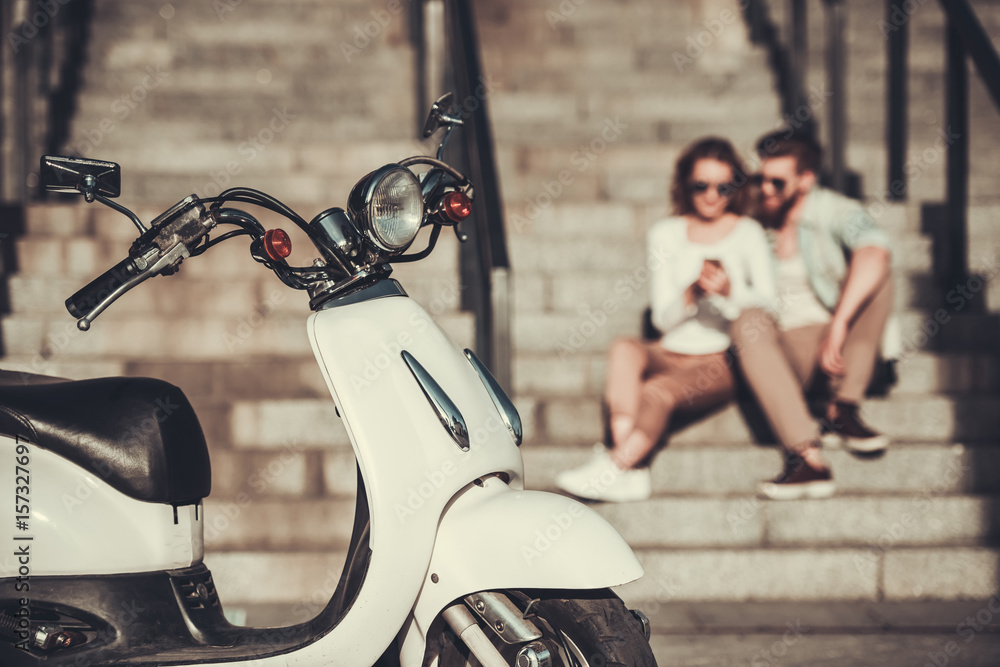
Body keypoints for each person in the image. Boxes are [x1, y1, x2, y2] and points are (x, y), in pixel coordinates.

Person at [554, 137, 776, 503]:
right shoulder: (666, 233)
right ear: (685, 186)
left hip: (722, 357)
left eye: (723, 187)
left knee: (656, 392)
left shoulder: (749, 233)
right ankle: (630, 465)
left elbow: (769, 307)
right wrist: (690, 294)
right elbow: (661, 318)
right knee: (625, 347)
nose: (711, 195)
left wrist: (729, 292)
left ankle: (618, 465)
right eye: (701, 185)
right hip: (672, 348)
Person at [731, 130, 893, 501]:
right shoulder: (754, 219)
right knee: (748, 319)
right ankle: (807, 459)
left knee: (879, 270)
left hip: (838, 350)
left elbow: (875, 252)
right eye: (759, 179)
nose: (765, 189)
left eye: (776, 181)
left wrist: (838, 326)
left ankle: (843, 407)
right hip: (783, 354)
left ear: (805, 180)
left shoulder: (834, 210)